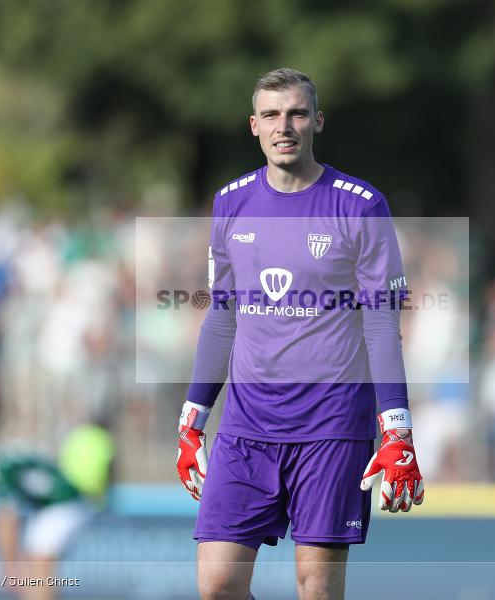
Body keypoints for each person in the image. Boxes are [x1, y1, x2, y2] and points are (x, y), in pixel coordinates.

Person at [177, 68, 425, 600]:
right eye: (270, 115)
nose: (283, 126)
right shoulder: (230, 202)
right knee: (217, 585)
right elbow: (222, 316)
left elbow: (382, 324)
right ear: (254, 125)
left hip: (331, 426)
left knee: (316, 589)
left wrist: (398, 430)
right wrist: (193, 417)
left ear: (317, 121)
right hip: (246, 427)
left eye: (296, 114)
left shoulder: (360, 205)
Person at [0, 437, 110, 600]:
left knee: (40, 561)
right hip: (52, 505)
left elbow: (6, 521)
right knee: (33, 563)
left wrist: (9, 566)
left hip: (63, 502)